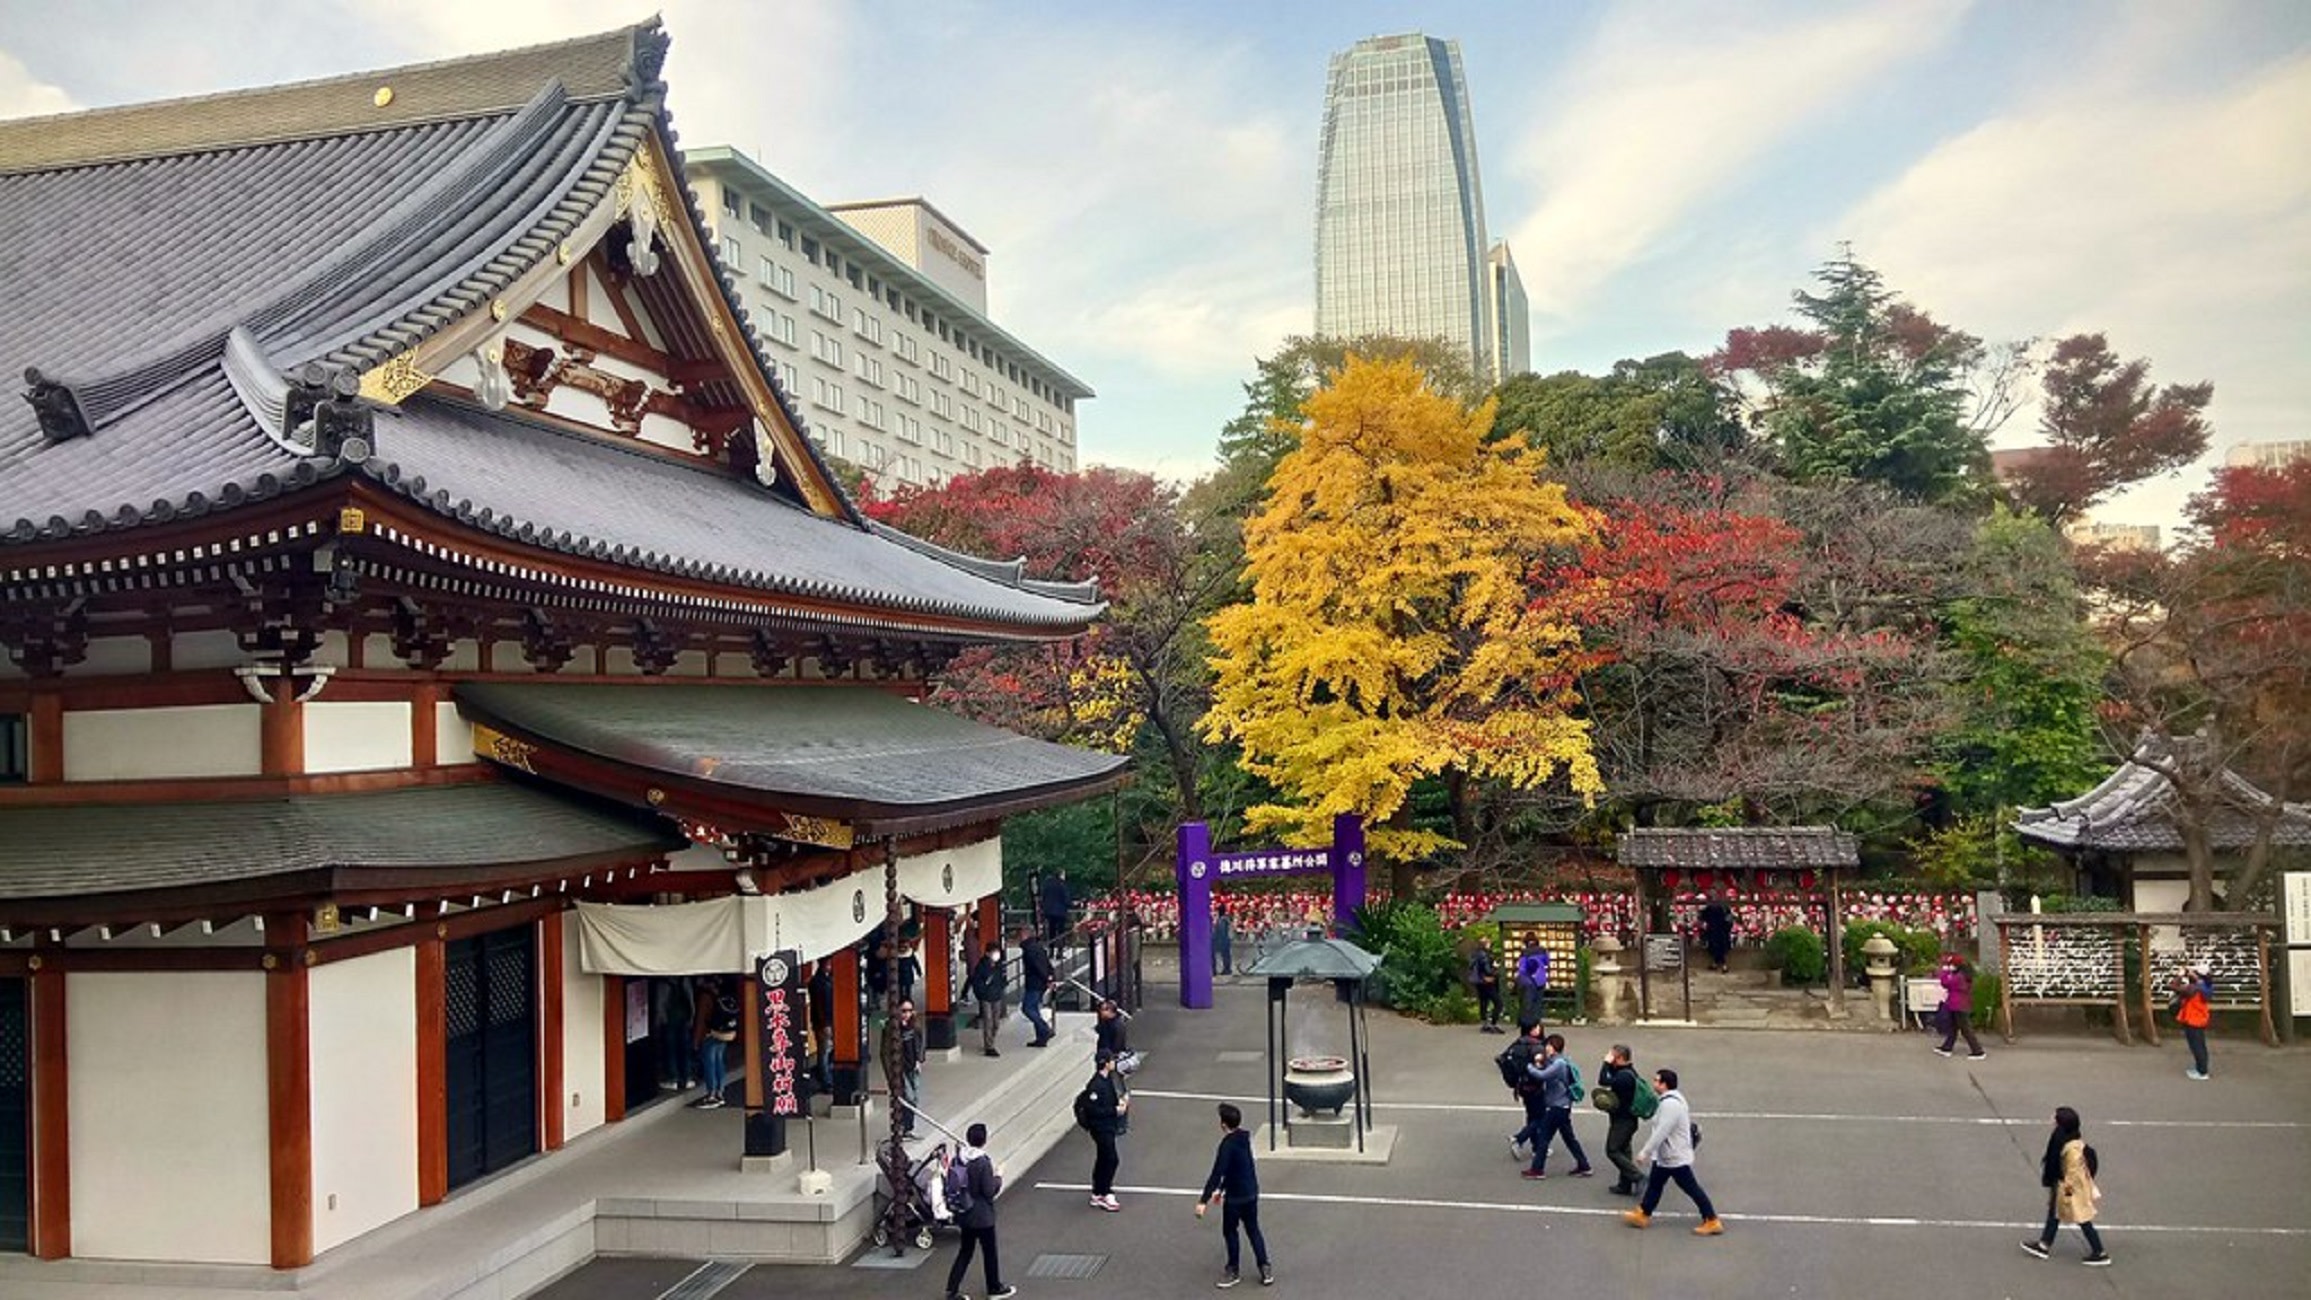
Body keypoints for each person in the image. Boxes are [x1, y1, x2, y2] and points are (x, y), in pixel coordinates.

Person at [1624, 1066, 1724, 1235]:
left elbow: (1662, 1131)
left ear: (1665, 1084)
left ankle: (1711, 1219)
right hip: (1667, 1156)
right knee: (1655, 1184)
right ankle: (1643, 1212)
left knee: (1691, 1188)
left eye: (1656, 1080)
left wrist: (1645, 1152)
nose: (1654, 1083)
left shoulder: (1670, 1105)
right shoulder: (1671, 1100)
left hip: (1673, 1157)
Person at [1197, 1101, 1273, 1288]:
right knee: (1253, 1229)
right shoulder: (1245, 1139)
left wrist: (1203, 1200)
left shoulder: (1226, 1146)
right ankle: (1264, 1266)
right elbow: (1238, 1168)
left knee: (1230, 1231)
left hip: (1236, 1198)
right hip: (1251, 1192)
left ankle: (1233, 1269)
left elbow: (1218, 1172)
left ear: (1223, 1124)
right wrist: (1222, 1189)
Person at [2021, 1106, 2109, 1265]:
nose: (2051, 1119)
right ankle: (2044, 1244)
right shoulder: (2067, 1139)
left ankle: (2099, 1251)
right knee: (2055, 1214)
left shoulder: (2070, 1149)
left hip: (2069, 1188)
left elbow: (2073, 1175)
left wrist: (2066, 1193)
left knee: (2081, 1217)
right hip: (2067, 1186)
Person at [942, 1121, 1018, 1300]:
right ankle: (994, 1287)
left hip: (964, 1211)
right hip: (982, 1215)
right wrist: (998, 1176)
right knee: (989, 1252)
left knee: (965, 1251)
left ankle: (951, 1290)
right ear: (984, 1140)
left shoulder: (958, 1158)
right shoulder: (982, 1162)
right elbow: (989, 1191)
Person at [1521, 1033, 1593, 1180]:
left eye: (1547, 1046)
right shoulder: (1559, 1060)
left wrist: (1528, 1066)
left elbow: (1542, 1075)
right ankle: (1584, 1166)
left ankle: (1537, 1169)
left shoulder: (1559, 1064)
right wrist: (1539, 1062)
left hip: (1557, 1107)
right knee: (1569, 1139)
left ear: (1553, 1047)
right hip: (1563, 1106)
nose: (1545, 1049)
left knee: (1544, 1138)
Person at [1081, 1050, 1127, 1211]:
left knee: (1103, 1159)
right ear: (1106, 1063)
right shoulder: (1096, 1085)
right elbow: (1093, 1110)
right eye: (1111, 1060)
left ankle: (1098, 1191)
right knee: (1111, 1159)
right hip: (1100, 1128)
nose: (1113, 1062)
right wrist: (1115, 1110)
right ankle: (1104, 1191)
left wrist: (1120, 1102)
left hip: (1107, 1126)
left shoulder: (1106, 1080)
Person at [1598, 1043, 1645, 1195]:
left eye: (1612, 1055)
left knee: (1612, 1149)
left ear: (1619, 1058)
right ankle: (1625, 1184)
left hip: (1624, 1120)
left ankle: (1638, 1177)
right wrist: (1610, 1064)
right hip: (1626, 1118)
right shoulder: (1626, 1071)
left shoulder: (1624, 1076)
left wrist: (1605, 1063)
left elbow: (1603, 1080)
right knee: (1624, 1150)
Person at [694, 977, 739, 1110]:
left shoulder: (705, 997)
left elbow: (701, 1019)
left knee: (709, 1063)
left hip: (710, 1034)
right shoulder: (721, 994)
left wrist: (697, 1039)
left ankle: (711, 1095)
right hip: (724, 1033)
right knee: (719, 1062)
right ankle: (720, 1092)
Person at [1504, 1022, 1546, 1165]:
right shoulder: (1537, 1047)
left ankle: (1537, 1146)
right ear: (1533, 1030)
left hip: (1521, 1086)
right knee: (1541, 1117)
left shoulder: (1517, 1044)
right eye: (1537, 1027)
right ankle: (1519, 1138)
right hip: (1535, 1086)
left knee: (1531, 1116)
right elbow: (1539, 1068)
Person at [1934, 954, 1987, 1060]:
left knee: (1965, 1029)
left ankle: (1978, 1051)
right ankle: (1947, 1048)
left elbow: (1945, 983)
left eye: (1951, 964)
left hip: (1958, 1006)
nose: (1950, 966)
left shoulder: (1959, 977)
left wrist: (1944, 972)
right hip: (1958, 1005)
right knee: (1953, 1028)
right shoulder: (1964, 975)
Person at [2172, 961, 2214, 1080]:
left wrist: (2180, 975)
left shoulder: (2194, 989)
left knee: (2197, 1046)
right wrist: (2191, 974)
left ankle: (2202, 1072)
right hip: (2200, 1018)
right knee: (2200, 1045)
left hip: (2192, 1019)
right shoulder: (2206, 986)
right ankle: (2201, 1069)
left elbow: (2174, 986)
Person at [652, 976, 694, 1090]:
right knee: (684, 1049)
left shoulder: (663, 983)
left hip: (670, 1020)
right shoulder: (684, 979)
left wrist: (658, 1022)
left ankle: (673, 1078)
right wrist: (691, 1017)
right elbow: (690, 998)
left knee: (670, 1050)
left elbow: (660, 1004)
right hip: (684, 1018)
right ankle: (687, 1077)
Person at [970, 942, 1008, 1058]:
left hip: (997, 996)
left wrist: (1002, 986)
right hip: (986, 997)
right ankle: (989, 1046)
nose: (996, 954)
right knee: (988, 1021)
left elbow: (1002, 978)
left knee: (996, 1022)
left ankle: (991, 1039)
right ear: (987, 953)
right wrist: (982, 993)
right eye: (993, 952)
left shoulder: (999, 965)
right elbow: (976, 982)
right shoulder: (981, 966)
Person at [895, 999, 926, 1138]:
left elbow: (920, 1043)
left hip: (913, 1066)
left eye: (909, 1011)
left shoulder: (915, 1026)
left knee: (914, 1098)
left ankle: (908, 1127)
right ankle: (903, 1126)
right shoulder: (894, 1028)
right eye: (903, 1011)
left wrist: (919, 1060)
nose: (906, 1014)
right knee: (908, 1096)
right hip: (901, 1067)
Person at [1020, 927, 1054, 1047]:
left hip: (1034, 983)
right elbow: (1046, 963)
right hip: (1041, 983)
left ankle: (1044, 1029)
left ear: (1026, 935)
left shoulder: (1029, 949)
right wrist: (1050, 977)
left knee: (1027, 1008)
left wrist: (1046, 978)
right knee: (1034, 1009)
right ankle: (1041, 1037)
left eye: (1022, 934)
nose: (1020, 936)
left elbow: (1037, 966)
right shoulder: (1038, 946)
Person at [1514, 944, 1550, 1034]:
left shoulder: (1524, 952)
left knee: (1525, 1002)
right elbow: (1547, 962)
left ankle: (1523, 1021)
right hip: (1540, 980)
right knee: (1537, 1002)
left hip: (1525, 981)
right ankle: (1535, 1022)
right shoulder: (1543, 951)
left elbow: (1521, 967)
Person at [1470, 939, 1503, 1034]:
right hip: (1487, 981)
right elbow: (1487, 970)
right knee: (1498, 1002)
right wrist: (1495, 969)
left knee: (1483, 1002)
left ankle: (1484, 1024)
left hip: (1479, 982)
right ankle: (1493, 1024)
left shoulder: (1475, 954)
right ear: (1485, 945)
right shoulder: (1484, 955)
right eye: (1489, 943)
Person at [1700, 896, 1734, 973]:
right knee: (1717, 947)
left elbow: (1703, 917)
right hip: (1717, 930)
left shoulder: (1718, 908)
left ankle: (1721, 965)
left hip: (1718, 930)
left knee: (1718, 947)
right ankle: (1718, 964)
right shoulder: (1714, 908)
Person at [1041, 869, 1073, 950]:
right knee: (1060, 932)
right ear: (1061, 875)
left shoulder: (1047, 884)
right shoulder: (1062, 885)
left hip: (1049, 911)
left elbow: (1044, 897)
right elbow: (1066, 898)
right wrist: (1071, 905)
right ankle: (1060, 950)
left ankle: (1051, 950)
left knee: (1051, 931)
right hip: (1060, 912)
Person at [1213, 906, 1235, 977]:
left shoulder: (1221, 920)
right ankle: (1227, 969)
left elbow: (1221, 931)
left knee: (1224, 955)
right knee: (1226, 955)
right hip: (1226, 939)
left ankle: (1226, 969)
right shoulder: (1226, 919)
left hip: (1222, 940)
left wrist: (1217, 939)